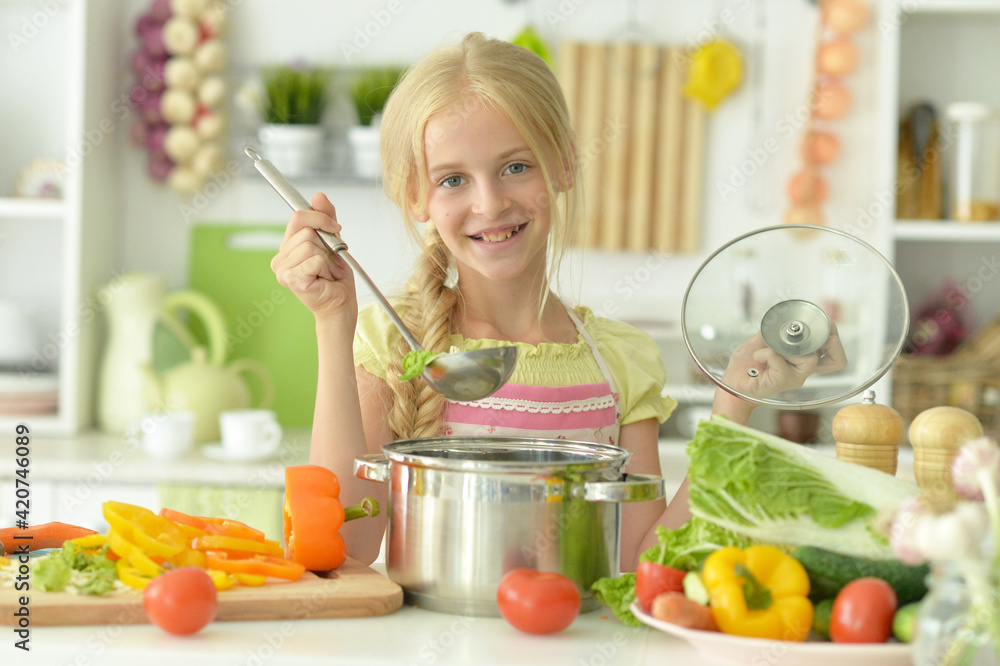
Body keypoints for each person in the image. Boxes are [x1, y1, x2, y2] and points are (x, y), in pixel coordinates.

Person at [270, 32, 838, 570]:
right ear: (416, 195)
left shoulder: (619, 362)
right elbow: (347, 545)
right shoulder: (391, 345)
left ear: (563, 163)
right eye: (452, 180)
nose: (489, 204)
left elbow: (641, 564)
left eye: (516, 167)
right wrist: (332, 320)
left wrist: (731, 411)